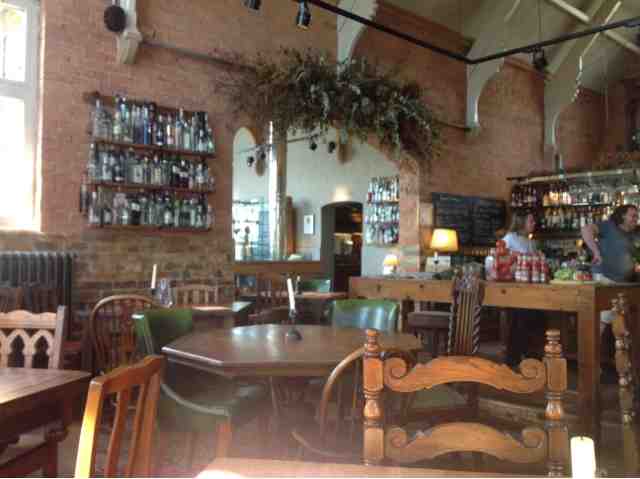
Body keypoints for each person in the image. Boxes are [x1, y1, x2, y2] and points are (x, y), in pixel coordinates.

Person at [581, 204, 639, 334]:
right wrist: (595, 251)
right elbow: (586, 230)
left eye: (637, 216)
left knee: (622, 322)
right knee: (603, 319)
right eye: (633, 216)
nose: (636, 219)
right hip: (605, 279)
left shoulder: (634, 234)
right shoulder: (609, 226)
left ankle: (619, 345)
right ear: (622, 216)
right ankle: (590, 346)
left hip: (623, 283)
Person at [502, 212, 542, 366]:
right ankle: (515, 356)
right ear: (521, 222)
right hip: (513, 288)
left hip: (529, 287)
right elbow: (498, 259)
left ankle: (528, 353)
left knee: (537, 313)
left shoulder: (530, 242)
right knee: (522, 314)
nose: (534, 223)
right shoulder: (510, 238)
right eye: (531, 221)